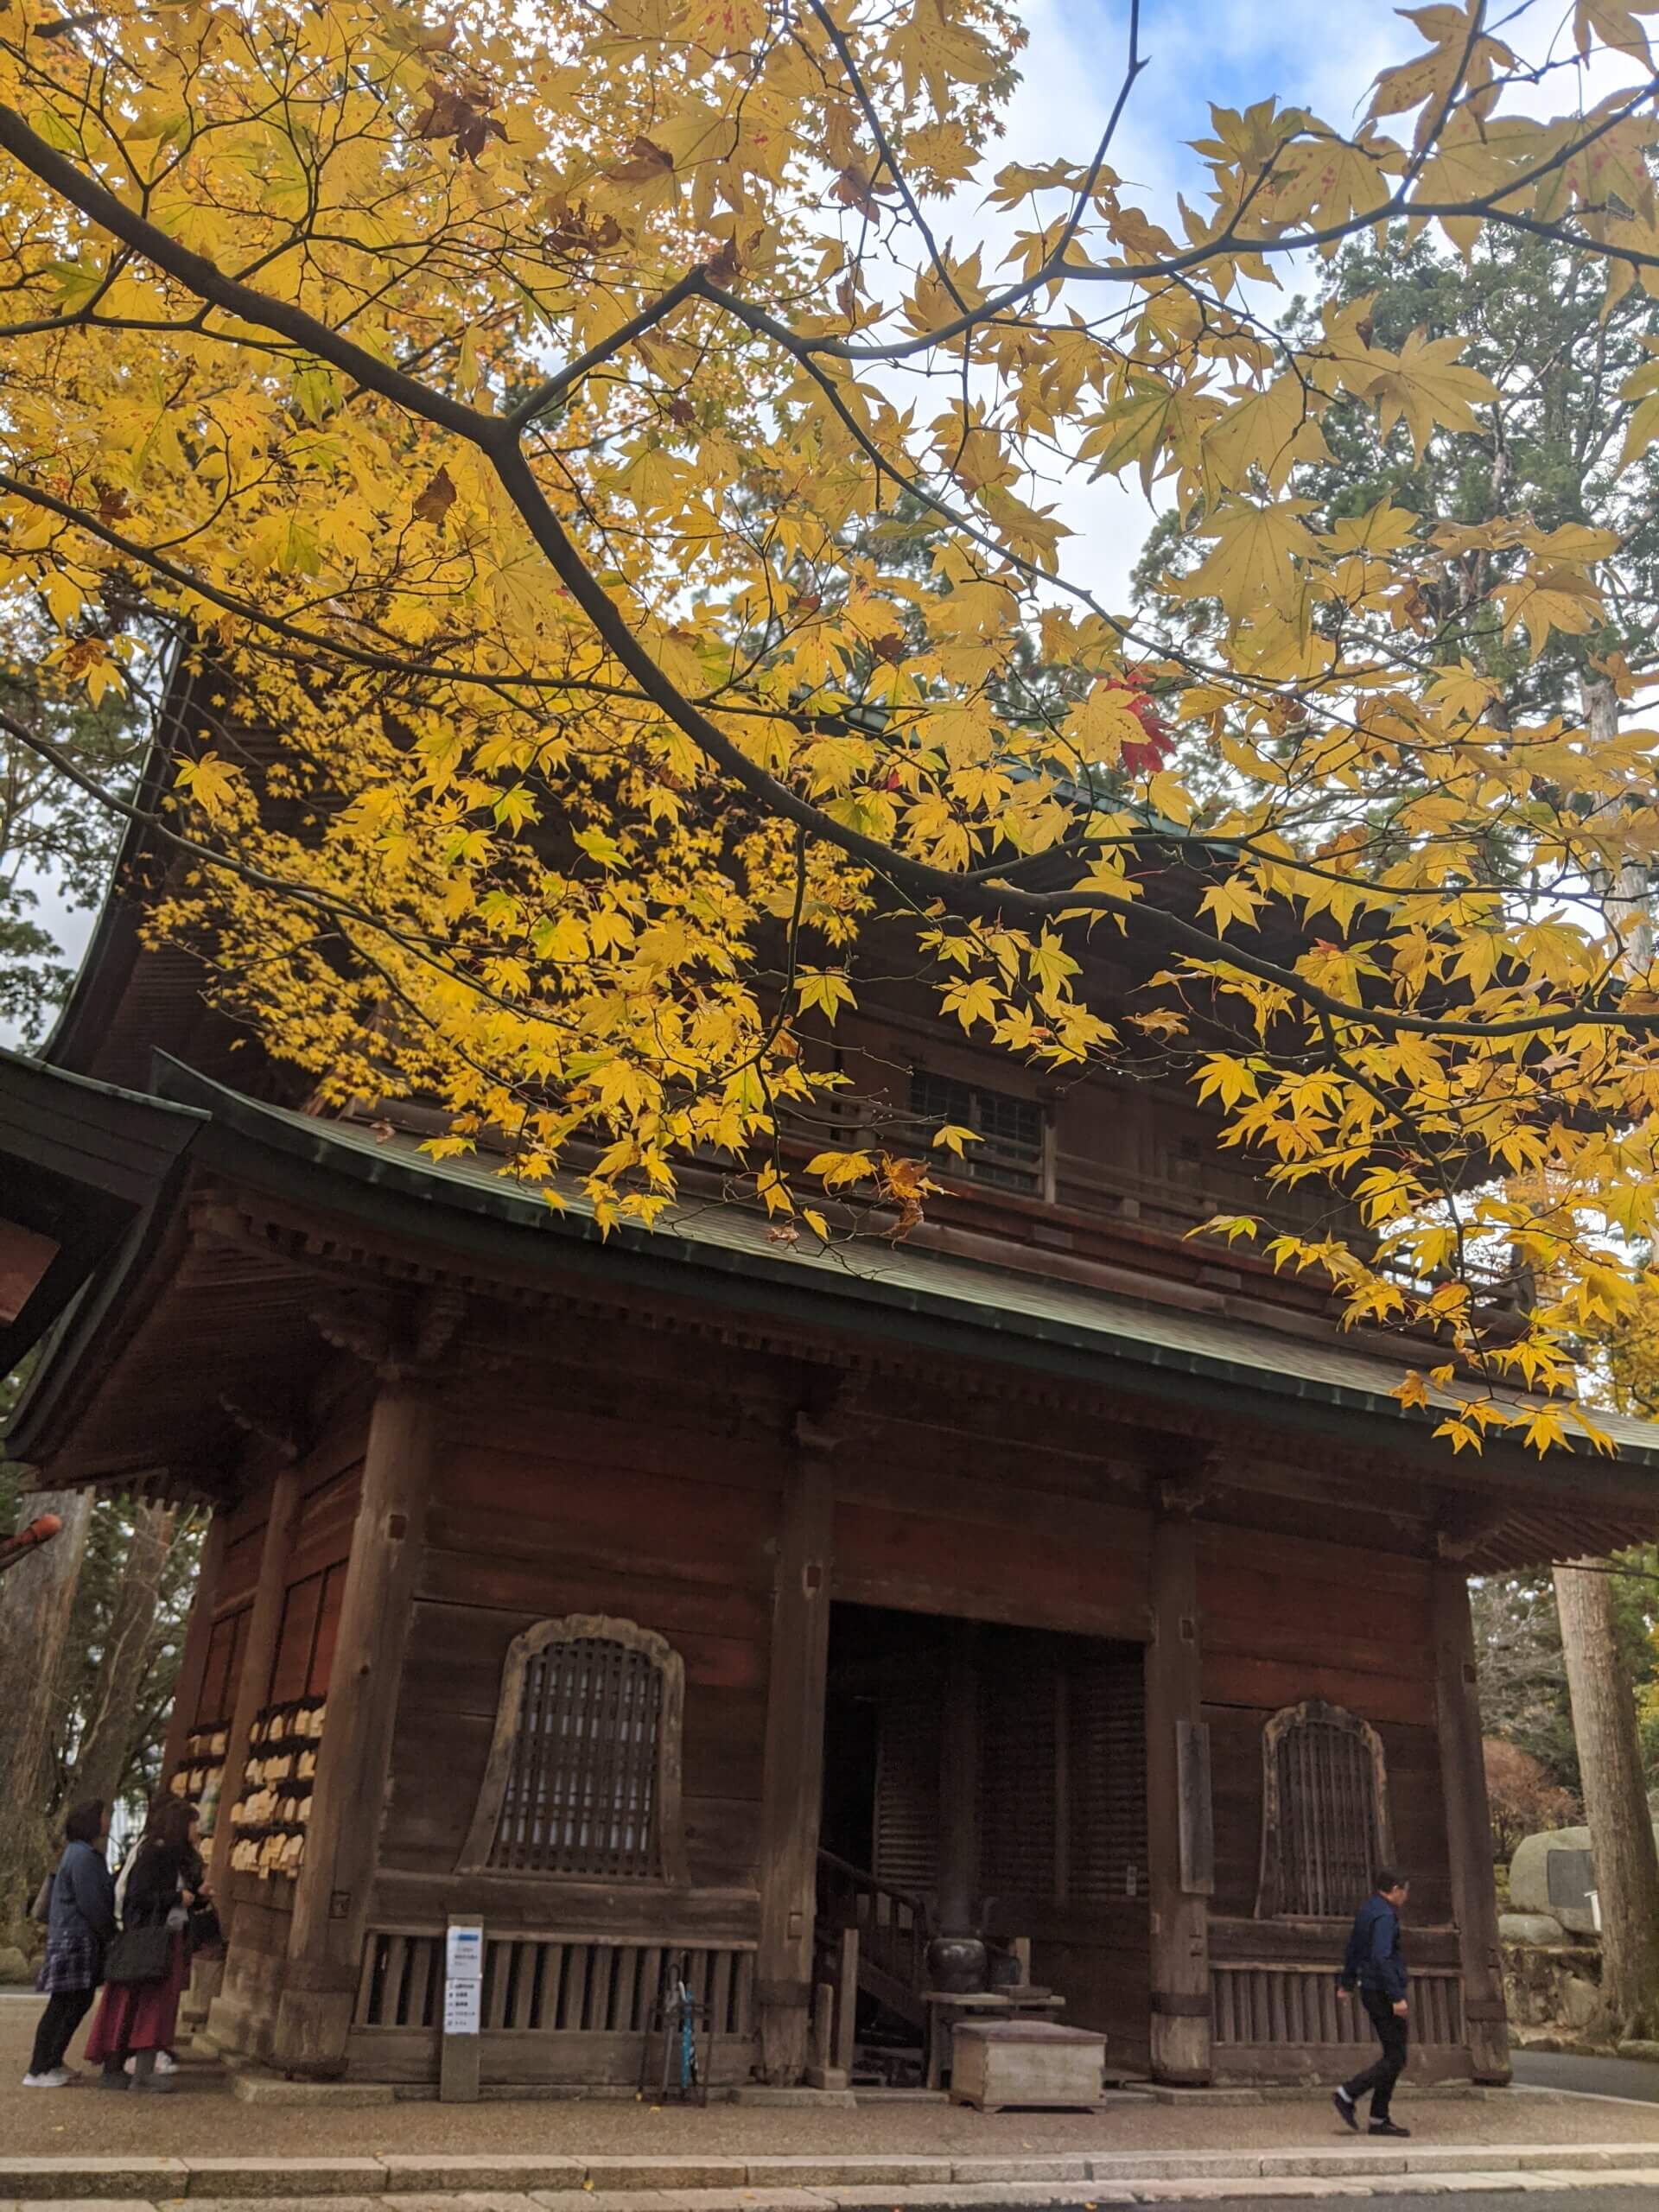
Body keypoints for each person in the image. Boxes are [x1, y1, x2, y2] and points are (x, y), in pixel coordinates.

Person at [84, 1797, 200, 2093]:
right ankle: (121, 2067)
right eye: (193, 1823)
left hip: (164, 1936)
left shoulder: (173, 1856)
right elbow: (138, 1895)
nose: (197, 1829)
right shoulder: (156, 1853)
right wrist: (176, 1898)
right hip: (148, 1938)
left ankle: (141, 2068)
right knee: (134, 2003)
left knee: (154, 2006)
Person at [22, 1800, 117, 2088]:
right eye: (103, 1816)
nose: (107, 1820)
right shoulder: (84, 1857)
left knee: (74, 2000)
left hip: (71, 1936)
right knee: (65, 2002)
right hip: (76, 1937)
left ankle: (51, 2060)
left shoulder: (78, 1853)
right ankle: (39, 2067)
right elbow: (92, 1902)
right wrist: (109, 1931)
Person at [1333, 1868, 1413, 2139]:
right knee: (1396, 2056)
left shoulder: (1368, 1910)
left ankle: (1379, 2117)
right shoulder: (1385, 1916)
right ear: (1396, 1889)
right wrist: (1396, 1997)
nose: (1406, 1896)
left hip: (1369, 1987)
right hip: (1382, 1991)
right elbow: (1383, 1957)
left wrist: (1346, 1982)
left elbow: (1354, 1949)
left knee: (1395, 2055)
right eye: (1405, 1890)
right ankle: (1349, 2093)